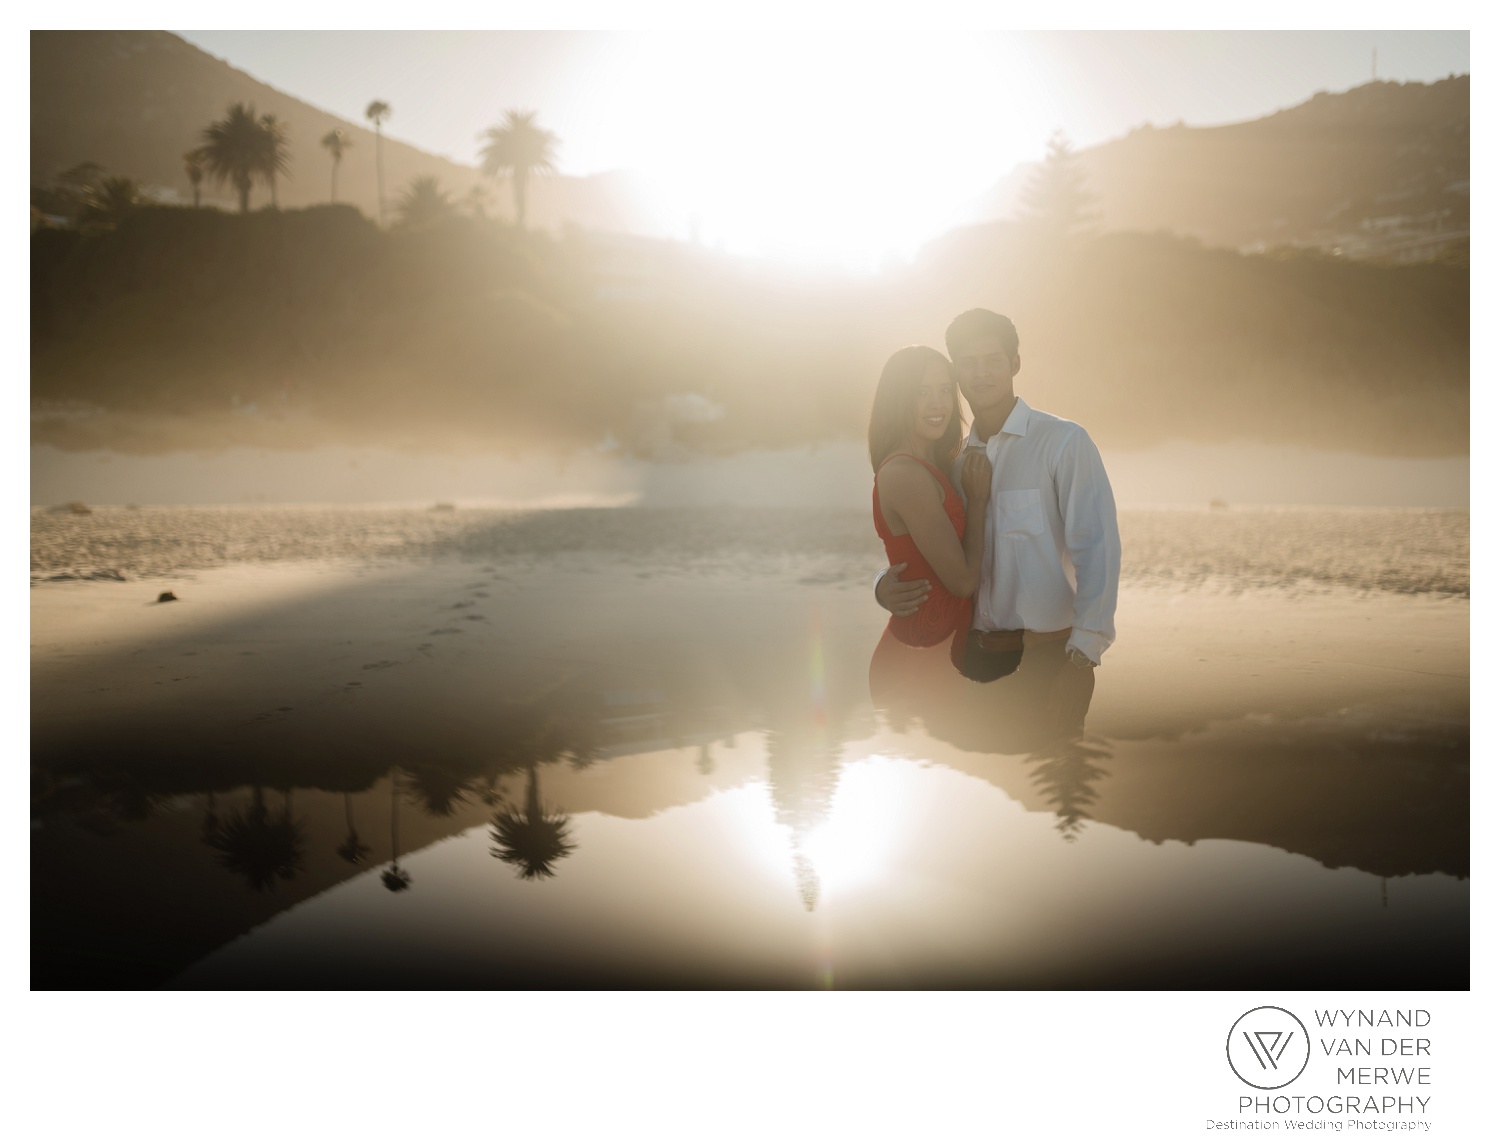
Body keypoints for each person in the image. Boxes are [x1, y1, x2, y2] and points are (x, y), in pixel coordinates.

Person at [875, 309, 1120, 733]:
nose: (981, 374)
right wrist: (883, 582)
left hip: (1045, 659)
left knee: (1047, 783)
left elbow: (1097, 550)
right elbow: (927, 544)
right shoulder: (952, 463)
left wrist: (1083, 658)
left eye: (992, 360)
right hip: (965, 661)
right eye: (968, 363)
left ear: (1015, 364)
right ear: (956, 373)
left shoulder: (1063, 442)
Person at [866, 345, 992, 711]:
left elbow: (909, 556)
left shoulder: (937, 464)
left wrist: (879, 583)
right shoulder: (905, 473)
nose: (938, 404)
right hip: (913, 665)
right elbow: (963, 581)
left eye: (944, 390)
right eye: (922, 393)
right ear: (898, 399)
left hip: (942, 657)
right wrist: (979, 501)